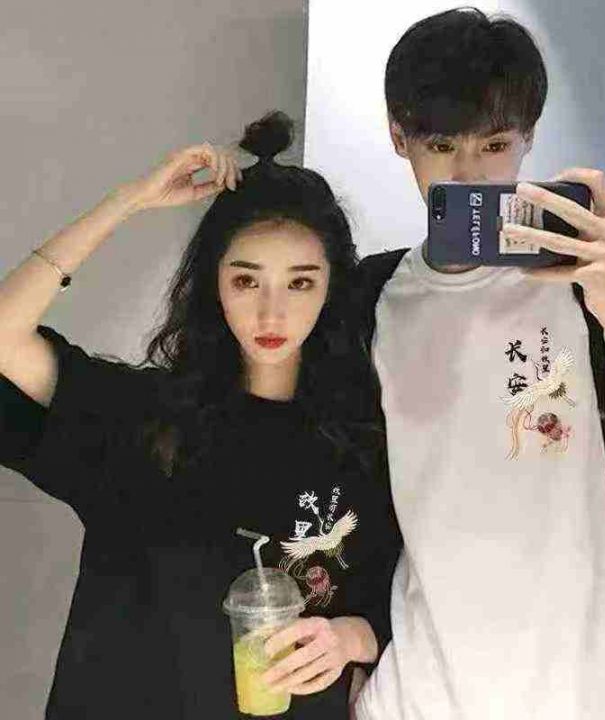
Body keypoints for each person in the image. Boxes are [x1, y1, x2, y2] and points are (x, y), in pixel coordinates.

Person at [352, 8, 605, 720]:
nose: (468, 175)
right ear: (399, 138)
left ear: (530, 138)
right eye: (440, 145)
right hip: (414, 700)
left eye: (494, 145)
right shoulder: (369, 302)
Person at [0, 111, 401, 719]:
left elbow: (400, 602)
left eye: (300, 283)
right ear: (214, 284)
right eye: (246, 281)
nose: (271, 313)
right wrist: (129, 200)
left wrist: (351, 638)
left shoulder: (364, 441)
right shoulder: (145, 421)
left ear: (332, 290)